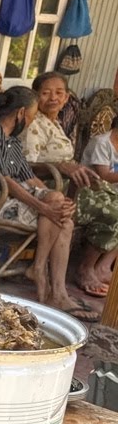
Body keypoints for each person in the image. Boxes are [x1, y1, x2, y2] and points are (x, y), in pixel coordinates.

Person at [0, 86, 97, 321]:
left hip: (1, 195)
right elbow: (5, 181)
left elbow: (28, 177)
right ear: (20, 113)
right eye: (31, 116)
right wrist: (44, 207)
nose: (30, 122)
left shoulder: (12, 142)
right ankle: (49, 284)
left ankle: (50, 282)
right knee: (60, 219)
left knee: (61, 211)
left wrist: (53, 197)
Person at [23, 71, 116, 298]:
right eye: (45, 93)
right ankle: (85, 269)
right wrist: (62, 166)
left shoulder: (56, 124)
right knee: (112, 211)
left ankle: (94, 268)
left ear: (66, 98)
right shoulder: (34, 124)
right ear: (36, 96)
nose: (53, 98)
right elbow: (25, 166)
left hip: (69, 188)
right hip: (45, 190)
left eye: (59, 93)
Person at [80, 115, 118, 295]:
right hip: (89, 190)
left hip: (112, 193)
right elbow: (104, 175)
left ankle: (104, 266)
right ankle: (86, 268)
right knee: (113, 212)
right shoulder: (102, 143)